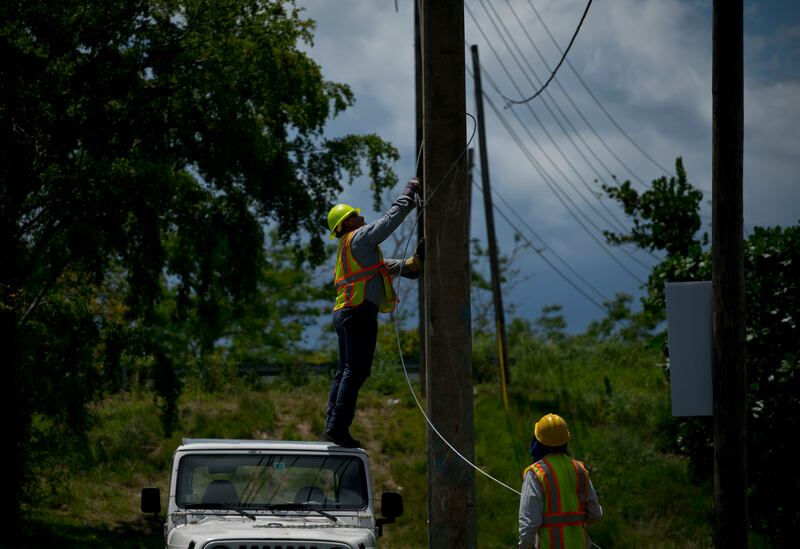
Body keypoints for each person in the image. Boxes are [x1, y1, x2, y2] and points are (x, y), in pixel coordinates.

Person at [321, 177, 423, 448]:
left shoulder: (347, 249)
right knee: (356, 372)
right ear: (346, 224)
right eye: (355, 215)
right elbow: (388, 222)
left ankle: (333, 424)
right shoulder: (360, 238)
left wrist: (409, 265)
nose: (362, 216)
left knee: (345, 370)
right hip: (358, 314)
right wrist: (408, 195)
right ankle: (338, 428)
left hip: (344, 314)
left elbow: (379, 268)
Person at [519, 413, 602, 549]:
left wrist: (523, 547)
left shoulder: (536, 473)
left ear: (538, 441)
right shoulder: (579, 469)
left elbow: (529, 523)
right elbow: (595, 513)